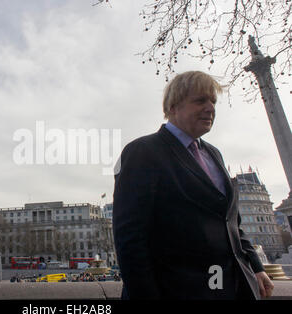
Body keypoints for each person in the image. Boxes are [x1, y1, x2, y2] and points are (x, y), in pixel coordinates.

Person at [112, 71, 274, 300]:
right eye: (200, 101)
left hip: (229, 287)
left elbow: (230, 221)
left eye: (213, 101)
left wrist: (255, 266)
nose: (210, 108)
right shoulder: (143, 151)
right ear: (174, 106)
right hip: (177, 291)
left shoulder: (213, 153)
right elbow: (130, 238)